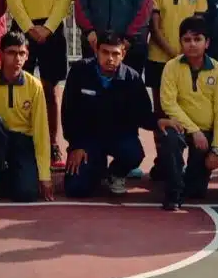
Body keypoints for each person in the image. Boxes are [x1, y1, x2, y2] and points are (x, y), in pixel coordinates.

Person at [4, 0, 77, 172]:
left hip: (53, 31)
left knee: (50, 91)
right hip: (22, 31)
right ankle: (16, 143)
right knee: (15, 86)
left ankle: (52, 143)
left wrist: (48, 27)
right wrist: (27, 27)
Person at [60, 32, 155, 198]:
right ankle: (97, 170)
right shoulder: (79, 71)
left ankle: (116, 173)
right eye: (105, 52)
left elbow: (144, 115)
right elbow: (68, 113)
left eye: (115, 53)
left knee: (133, 153)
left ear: (123, 54)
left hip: (118, 137)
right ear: (96, 51)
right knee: (76, 189)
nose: (110, 58)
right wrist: (76, 145)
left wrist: (160, 122)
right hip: (87, 139)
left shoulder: (132, 78)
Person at [155, 16, 218, 211]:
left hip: (205, 135)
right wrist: (193, 130)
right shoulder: (171, 67)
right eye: (187, 40)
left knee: (196, 191)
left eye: (197, 39)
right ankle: (173, 192)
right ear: (180, 43)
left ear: (207, 43)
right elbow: (168, 103)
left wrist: (216, 149)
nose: (192, 44)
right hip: (180, 128)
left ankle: (188, 177)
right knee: (169, 139)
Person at [0, 32, 54, 202]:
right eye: (11, 53)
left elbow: (41, 132)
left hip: (23, 142)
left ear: (27, 56)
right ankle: (0, 173)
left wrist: (44, 176)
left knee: (27, 194)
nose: (17, 58)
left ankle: (11, 178)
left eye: (22, 53)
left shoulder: (35, 86)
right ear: (1, 53)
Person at [147, 0, 209, 93]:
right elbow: (154, 28)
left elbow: (198, 28)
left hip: (188, 57)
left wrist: (185, 53)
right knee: (160, 105)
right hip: (159, 57)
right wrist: (172, 53)